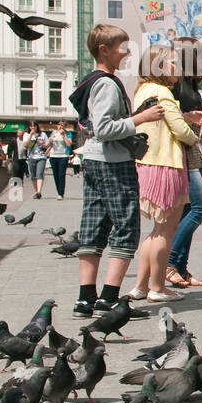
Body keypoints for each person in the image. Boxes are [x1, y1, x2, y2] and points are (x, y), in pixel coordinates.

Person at [71, 23, 164, 319]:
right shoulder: (107, 83)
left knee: (94, 223)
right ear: (104, 50)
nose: (126, 52)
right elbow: (105, 127)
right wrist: (141, 118)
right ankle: (109, 297)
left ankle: (86, 298)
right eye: (122, 47)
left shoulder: (91, 81)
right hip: (112, 161)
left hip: (94, 160)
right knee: (125, 224)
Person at [130, 45, 201, 303]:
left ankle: (140, 286)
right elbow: (180, 131)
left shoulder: (142, 90)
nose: (178, 69)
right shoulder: (162, 91)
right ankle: (158, 287)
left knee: (154, 230)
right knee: (164, 231)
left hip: (148, 163)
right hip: (166, 165)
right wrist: (194, 132)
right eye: (173, 63)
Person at [165, 36, 202, 289]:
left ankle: (180, 268)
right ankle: (169, 263)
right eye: (201, 55)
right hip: (181, 152)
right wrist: (188, 117)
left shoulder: (191, 84)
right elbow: (165, 115)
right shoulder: (174, 82)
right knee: (201, 209)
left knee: (187, 210)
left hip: (192, 150)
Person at [22, 121, 49, 198]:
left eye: (34, 126)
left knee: (39, 174)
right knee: (33, 176)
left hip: (41, 157)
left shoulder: (43, 134)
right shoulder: (26, 134)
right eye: (31, 126)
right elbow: (25, 145)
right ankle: (36, 191)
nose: (33, 127)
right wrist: (31, 134)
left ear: (37, 126)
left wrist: (42, 144)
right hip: (31, 157)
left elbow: (47, 146)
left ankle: (39, 191)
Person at [47, 121, 73, 199]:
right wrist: (50, 141)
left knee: (61, 175)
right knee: (55, 175)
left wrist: (64, 135)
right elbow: (50, 144)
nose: (60, 126)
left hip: (63, 156)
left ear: (64, 126)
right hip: (53, 155)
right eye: (59, 125)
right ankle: (58, 191)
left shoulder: (68, 133)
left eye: (62, 125)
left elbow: (69, 144)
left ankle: (61, 193)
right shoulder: (54, 133)